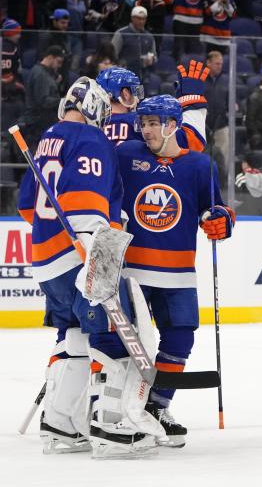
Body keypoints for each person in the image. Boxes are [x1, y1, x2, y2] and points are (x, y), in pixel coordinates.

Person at [18, 77, 165, 457]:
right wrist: (95, 260)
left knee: (75, 337)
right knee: (117, 333)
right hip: (80, 254)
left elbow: (26, 206)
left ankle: (61, 425)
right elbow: (85, 205)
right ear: (97, 110)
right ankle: (111, 426)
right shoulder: (91, 139)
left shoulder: (47, 139)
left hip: (45, 257)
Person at [115, 93, 233, 447]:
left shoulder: (200, 165)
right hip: (131, 270)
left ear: (173, 126)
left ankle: (157, 406)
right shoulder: (126, 155)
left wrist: (222, 222)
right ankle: (117, 409)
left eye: (153, 124)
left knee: (181, 338)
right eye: (144, 123)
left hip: (178, 271)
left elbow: (214, 211)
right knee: (124, 342)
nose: (146, 130)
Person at [21, 46, 65, 150]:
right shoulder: (40, 74)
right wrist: (63, 100)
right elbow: (43, 101)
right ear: (50, 57)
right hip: (38, 124)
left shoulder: (45, 73)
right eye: (58, 62)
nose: (59, 66)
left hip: (42, 122)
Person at [97, 67, 144, 144]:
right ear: (126, 94)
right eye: (136, 91)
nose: (138, 98)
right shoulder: (140, 120)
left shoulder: (91, 123)